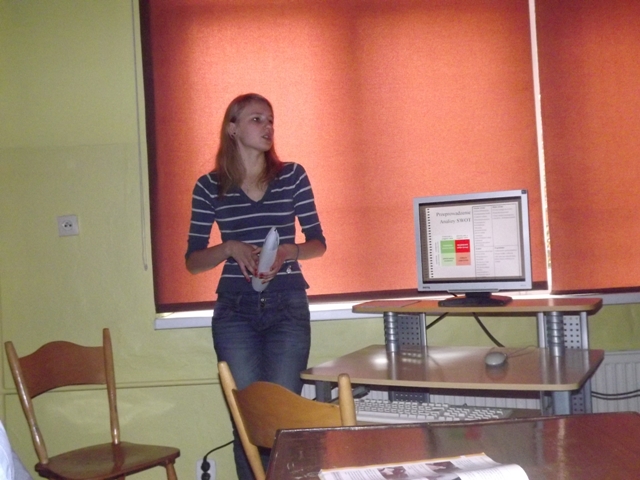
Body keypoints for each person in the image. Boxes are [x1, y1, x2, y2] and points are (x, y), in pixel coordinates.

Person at [185, 93, 326, 479]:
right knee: (247, 422)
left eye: (270, 120)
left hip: (287, 306)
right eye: (257, 119)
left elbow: (318, 243)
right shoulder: (209, 186)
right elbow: (193, 261)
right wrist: (229, 248)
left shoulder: (292, 176)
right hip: (234, 311)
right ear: (232, 128)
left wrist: (289, 252)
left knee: (281, 420)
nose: (268, 127)